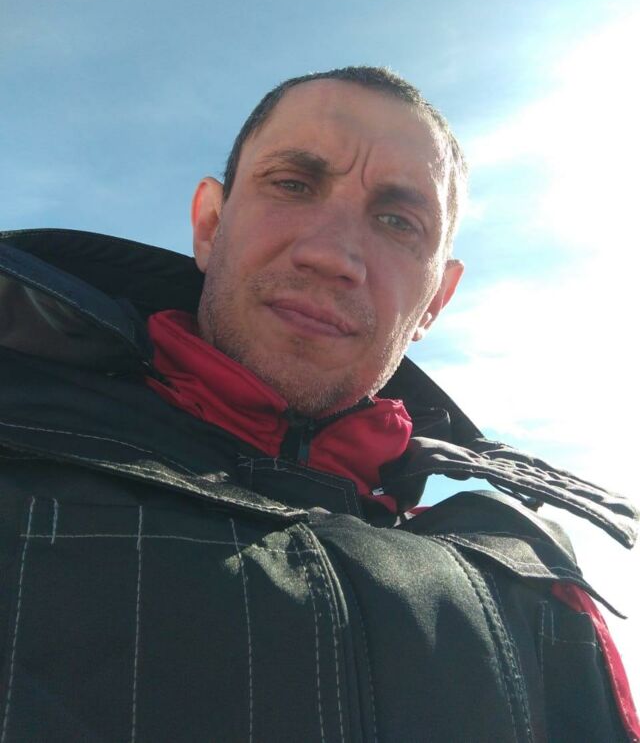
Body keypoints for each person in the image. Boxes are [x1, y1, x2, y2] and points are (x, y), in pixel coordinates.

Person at [0, 66, 637, 742]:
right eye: (293, 184)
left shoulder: (529, 584)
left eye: (397, 220)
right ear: (211, 224)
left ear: (435, 301)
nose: (332, 255)